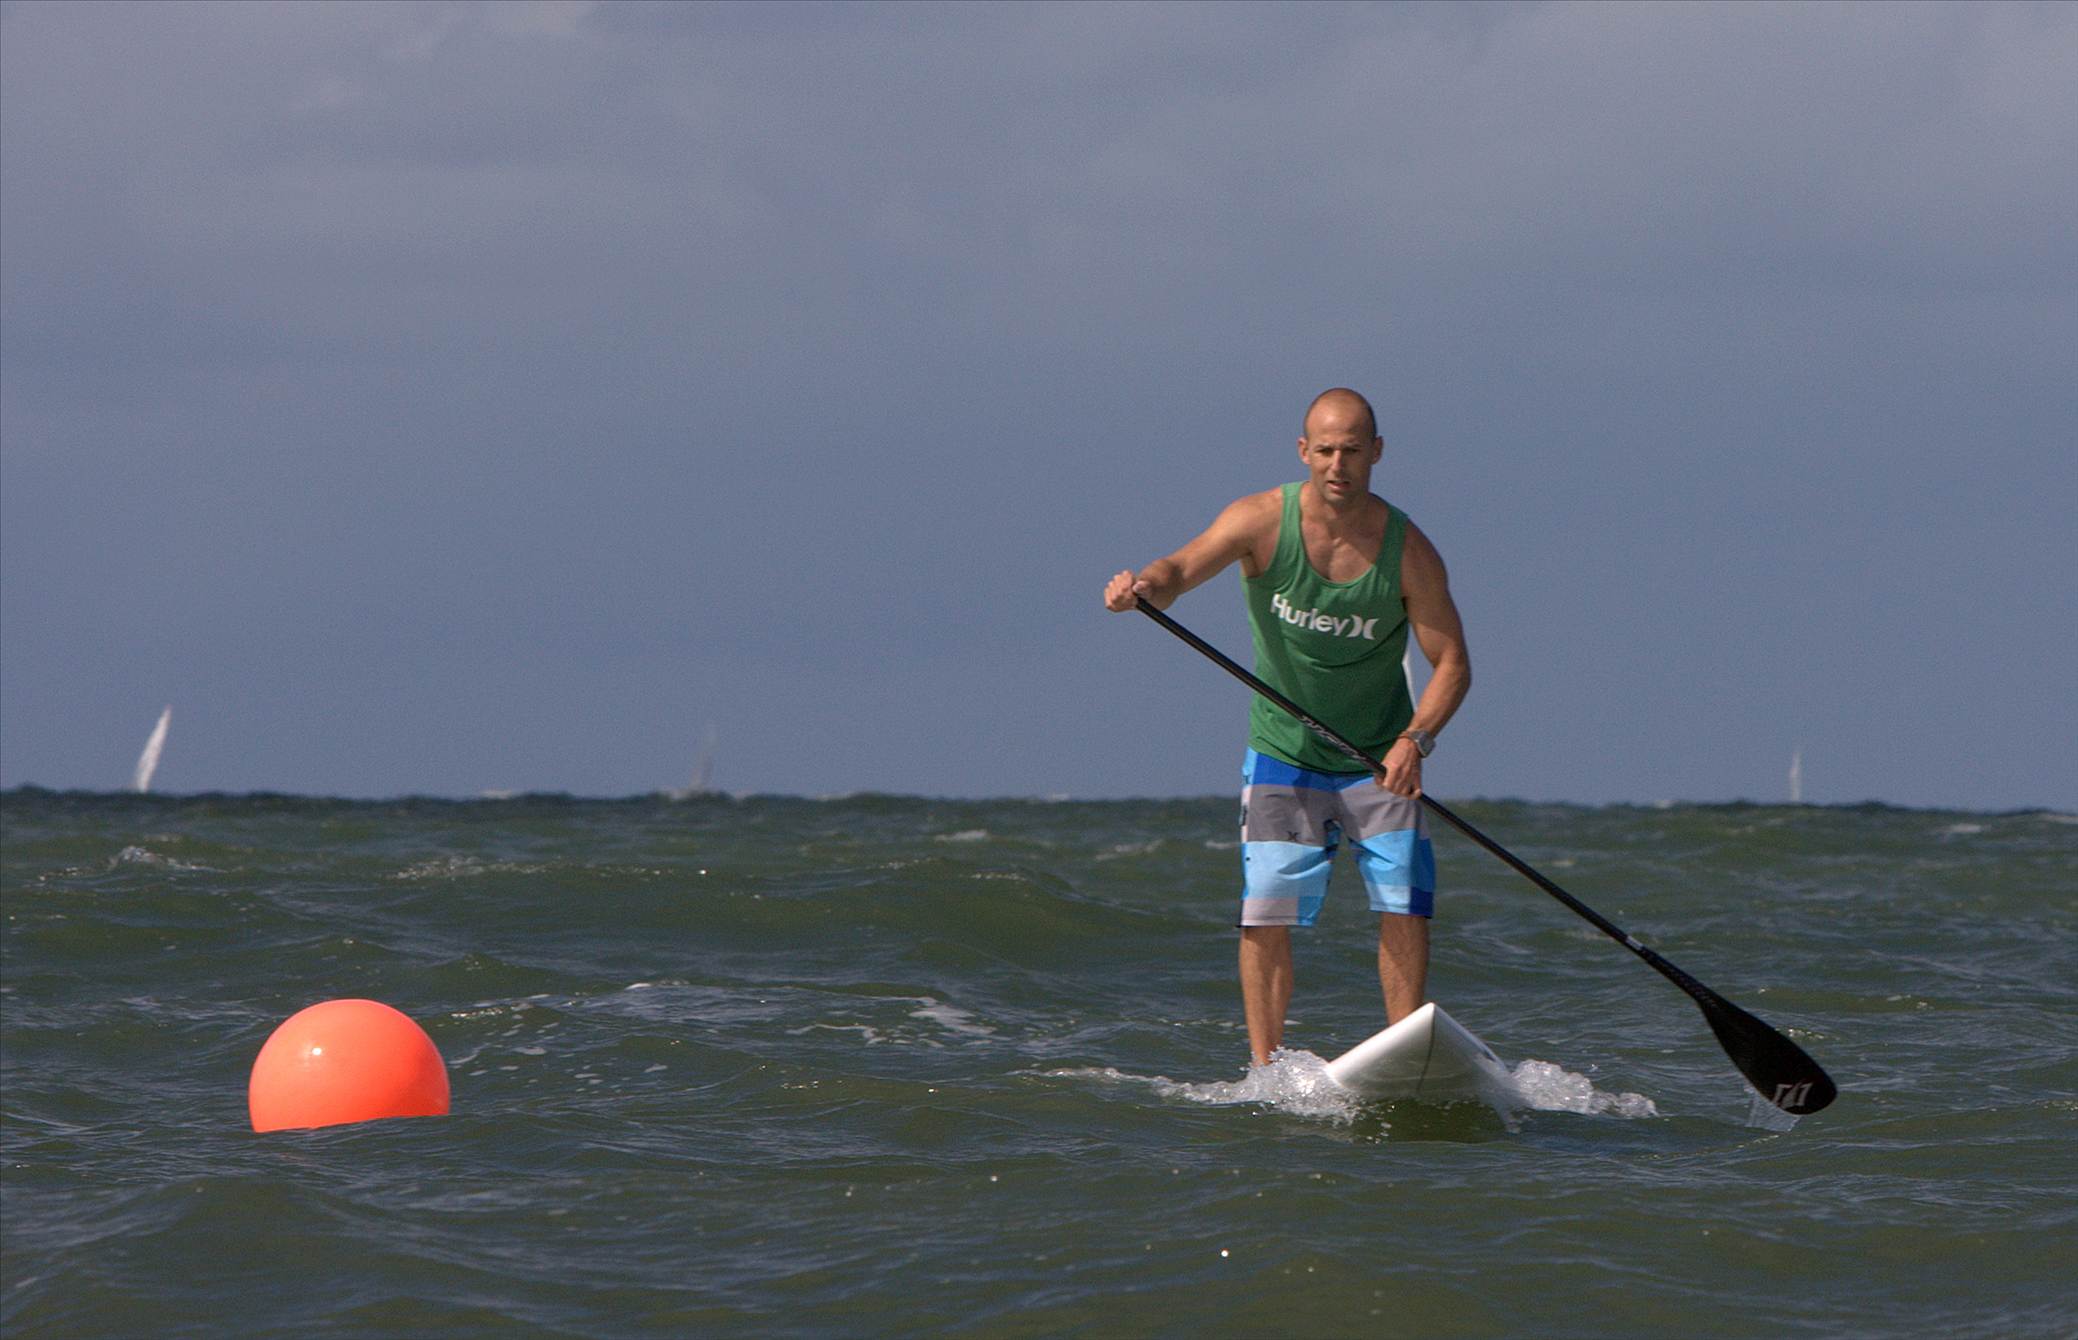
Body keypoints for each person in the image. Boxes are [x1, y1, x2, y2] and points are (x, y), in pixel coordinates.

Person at [1103, 387, 1471, 1068]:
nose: (1338, 464)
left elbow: (1451, 661)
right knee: (1266, 910)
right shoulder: (1260, 522)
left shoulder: (1408, 550)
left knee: (1405, 904)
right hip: (1283, 754)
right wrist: (1144, 588)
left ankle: (1405, 1056)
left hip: (1378, 758)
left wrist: (1414, 740)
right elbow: (1181, 568)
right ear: (1304, 452)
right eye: (1325, 450)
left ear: (1377, 455)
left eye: (1353, 451)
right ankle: (1266, 1067)